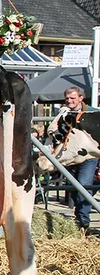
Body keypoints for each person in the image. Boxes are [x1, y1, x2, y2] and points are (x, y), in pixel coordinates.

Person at [61, 86, 98, 232]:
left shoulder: (92, 113)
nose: (69, 101)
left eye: (73, 98)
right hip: (70, 156)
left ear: (81, 98)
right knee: (74, 187)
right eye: (67, 98)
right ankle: (79, 216)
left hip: (88, 156)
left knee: (83, 185)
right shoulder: (63, 114)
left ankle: (84, 221)